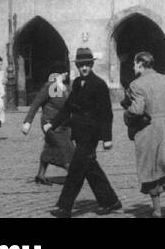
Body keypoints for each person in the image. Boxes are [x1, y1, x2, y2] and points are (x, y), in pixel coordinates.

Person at [44, 47, 122, 218]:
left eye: (87, 64)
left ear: (91, 64)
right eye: (81, 65)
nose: (84, 68)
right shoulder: (77, 84)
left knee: (76, 170)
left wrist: (107, 138)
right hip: (79, 133)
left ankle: (65, 207)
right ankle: (111, 201)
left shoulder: (99, 84)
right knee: (90, 168)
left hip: (91, 134)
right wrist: (53, 123)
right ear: (77, 66)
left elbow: (106, 114)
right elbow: (68, 107)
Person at [123, 51, 165, 218]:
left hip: (149, 130)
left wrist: (126, 113)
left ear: (140, 64)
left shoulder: (136, 85)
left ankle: (157, 211)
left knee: (151, 170)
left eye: (134, 64)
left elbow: (138, 110)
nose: (133, 67)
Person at [22, 71, 73, 183]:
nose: (66, 74)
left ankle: (40, 175)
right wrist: (27, 122)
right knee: (66, 150)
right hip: (50, 124)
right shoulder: (50, 87)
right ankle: (74, 175)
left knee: (50, 149)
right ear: (58, 74)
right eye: (63, 72)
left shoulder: (66, 88)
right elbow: (36, 103)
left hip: (63, 124)